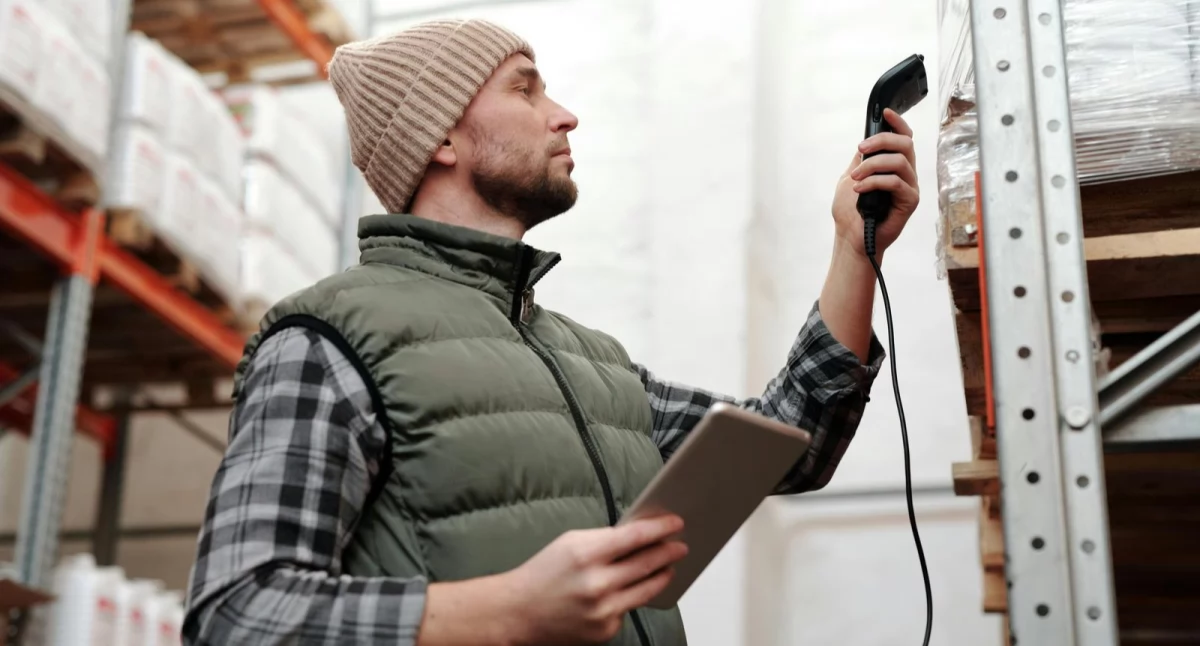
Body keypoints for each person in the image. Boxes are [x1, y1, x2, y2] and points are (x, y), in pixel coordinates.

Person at [182, 17, 920, 646]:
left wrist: (855, 250)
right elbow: (238, 613)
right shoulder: (325, 341)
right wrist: (507, 610)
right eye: (526, 88)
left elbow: (793, 443)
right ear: (442, 137)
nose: (564, 114)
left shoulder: (590, 362)